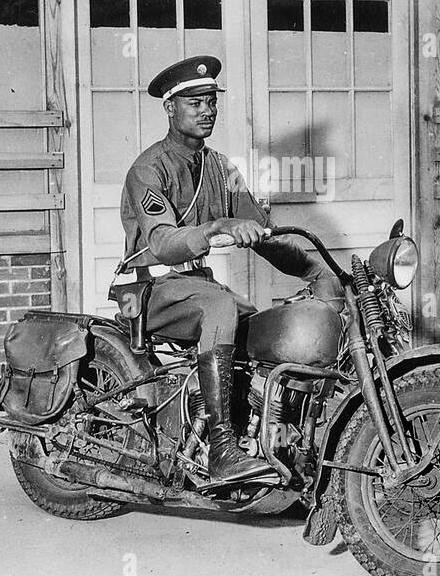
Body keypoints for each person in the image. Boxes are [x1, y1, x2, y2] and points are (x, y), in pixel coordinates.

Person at [118, 55, 327, 485]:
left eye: (211, 101)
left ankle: (269, 437)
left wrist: (319, 271)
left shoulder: (222, 169)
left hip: (194, 286)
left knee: (265, 326)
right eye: (195, 102)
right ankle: (221, 449)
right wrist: (217, 226)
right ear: (170, 108)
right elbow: (161, 243)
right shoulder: (149, 168)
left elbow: (263, 233)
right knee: (220, 308)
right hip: (149, 289)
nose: (207, 110)